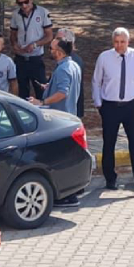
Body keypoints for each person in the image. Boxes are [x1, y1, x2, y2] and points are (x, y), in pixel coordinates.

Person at [92, 28, 134, 198]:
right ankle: (110, 179)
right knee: (109, 143)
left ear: (128, 42)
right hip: (110, 105)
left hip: (131, 106)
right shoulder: (104, 57)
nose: (119, 45)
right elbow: (96, 81)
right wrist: (98, 104)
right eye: (116, 42)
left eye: (122, 42)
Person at [32, 35, 84, 207]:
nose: (50, 51)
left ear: (60, 53)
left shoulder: (62, 69)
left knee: (60, 159)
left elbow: (63, 93)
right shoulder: (73, 65)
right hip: (69, 117)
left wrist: (43, 102)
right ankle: (73, 190)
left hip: (59, 120)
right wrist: (49, 87)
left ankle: (68, 195)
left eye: (52, 49)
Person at [9, 0, 53, 100]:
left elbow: (49, 36)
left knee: (41, 89)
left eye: (26, 2)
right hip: (20, 59)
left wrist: (35, 45)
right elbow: (13, 34)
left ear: (31, 0)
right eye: (20, 3)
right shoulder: (15, 14)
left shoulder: (43, 12)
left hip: (36, 59)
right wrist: (14, 44)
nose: (24, 5)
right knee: (22, 92)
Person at [56, 28, 84, 117]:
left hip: (68, 111)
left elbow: (65, 91)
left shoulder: (71, 62)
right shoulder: (65, 59)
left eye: (59, 39)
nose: (55, 42)